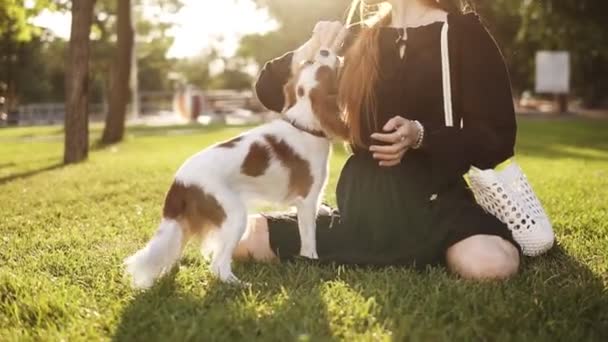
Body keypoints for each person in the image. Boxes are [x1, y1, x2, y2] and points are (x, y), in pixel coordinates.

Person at [234, 0, 521, 280]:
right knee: (242, 241)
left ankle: (426, 246)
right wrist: (310, 49)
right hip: (362, 210)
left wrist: (421, 134)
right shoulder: (357, 36)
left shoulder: (463, 33)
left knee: (491, 265)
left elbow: (496, 139)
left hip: (435, 203)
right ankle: (329, 222)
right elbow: (269, 92)